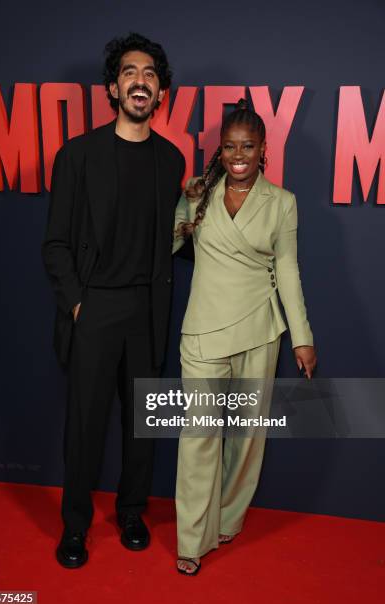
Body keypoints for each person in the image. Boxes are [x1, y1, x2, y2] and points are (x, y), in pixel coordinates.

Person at [42, 32, 185, 568]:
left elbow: (175, 237)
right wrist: (79, 304)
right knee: (84, 425)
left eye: (150, 74)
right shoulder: (77, 156)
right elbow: (55, 243)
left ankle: (131, 512)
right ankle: (74, 526)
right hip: (94, 308)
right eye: (130, 72)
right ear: (112, 87)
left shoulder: (171, 161)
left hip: (147, 311)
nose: (140, 81)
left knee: (142, 424)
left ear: (161, 92)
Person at [172, 99, 317, 575]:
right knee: (198, 437)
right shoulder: (199, 193)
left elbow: (289, 270)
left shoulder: (283, 202)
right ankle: (191, 541)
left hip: (260, 329)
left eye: (248, 146)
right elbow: (167, 240)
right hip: (204, 331)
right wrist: (177, 201)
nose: (238, 155)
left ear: (262, 149)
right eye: (230, 146)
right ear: (220, 149)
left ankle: (227, 521)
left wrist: (302, 336)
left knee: (247, 438)